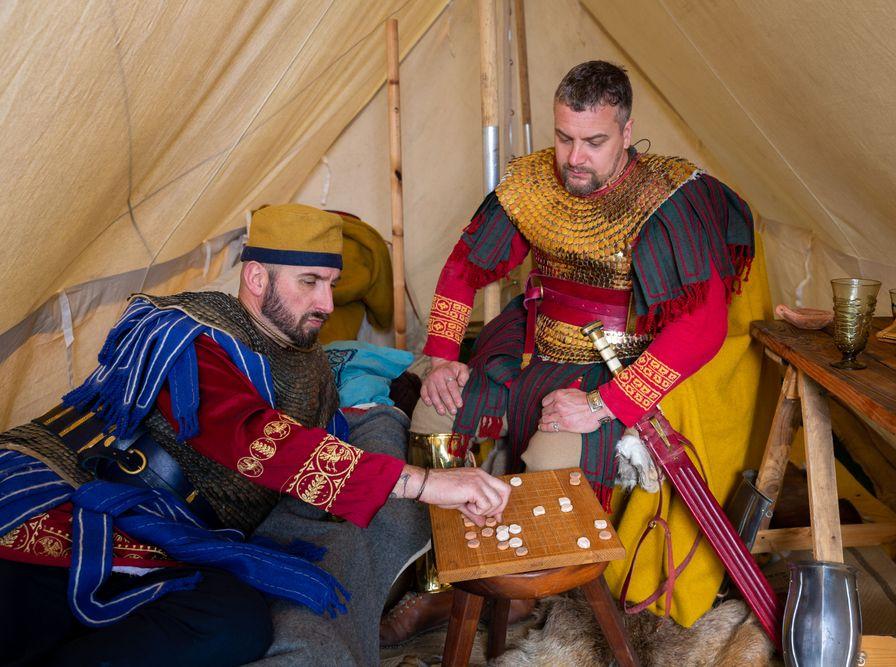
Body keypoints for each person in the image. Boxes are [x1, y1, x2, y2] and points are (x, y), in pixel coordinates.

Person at [0, 204, 511, 666]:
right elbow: (257, 441)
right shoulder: (193, 336)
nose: (327, 303)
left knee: (234, 622)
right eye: (309, 282)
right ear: (257, 277)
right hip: (62, 495)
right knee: (30, 613)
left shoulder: (307, 364)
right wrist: (423, 484)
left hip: (168, 529)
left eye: (332, 283)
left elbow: (322, 436)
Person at [382, 60, 756, 642]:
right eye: (564, 138)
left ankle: (528, 592)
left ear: (627, 133)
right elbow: (462, 270)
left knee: (549, 467)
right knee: (435, 412)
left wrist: (607, 405)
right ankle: (443, 582)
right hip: (533, 343)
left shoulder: (670, 196)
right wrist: (441, 354)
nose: (574, 157)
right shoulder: (530, 184)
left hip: (615, 365)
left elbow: (703, 327)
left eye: (594, 141)